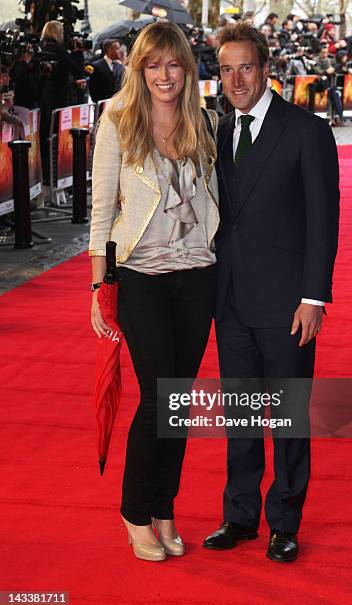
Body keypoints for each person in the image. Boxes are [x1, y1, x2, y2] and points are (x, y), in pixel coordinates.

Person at [203, 22, 339, 562]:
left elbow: (323, 223)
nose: (236, 79)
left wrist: (314, 298)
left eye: (245, 67)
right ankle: (239, 515)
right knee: (240, 415)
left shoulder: (306, 131)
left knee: (285, 417)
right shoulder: (214, 131)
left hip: (287, 304)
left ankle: (285, 522)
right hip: (229, 299)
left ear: (266, 69)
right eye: (226, 69)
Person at [89, 22, 219, 562]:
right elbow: (100, 211)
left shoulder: (203, 120)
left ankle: (164, 506)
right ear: (139, 69)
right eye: (153, 65)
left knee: (179, 402)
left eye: (173, 65)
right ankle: (134, 511)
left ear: (186, 69)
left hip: (199, 274)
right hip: (141, 275)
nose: (164, 76)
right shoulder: (117, 119)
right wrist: (99, 285)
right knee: (157, 397)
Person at [38, 20, 84, 187]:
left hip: (42, 102)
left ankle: (45, 176)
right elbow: (78, 69)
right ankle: (55, 177)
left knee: (44, 139)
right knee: (56, 140)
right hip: (57, 102)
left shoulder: (41, 48)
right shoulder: (59, 50)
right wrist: (78, 51)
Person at [88, 39, 124, 103]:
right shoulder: (96, 66)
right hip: (103, 107)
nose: (120, 51)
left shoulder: (119, 66)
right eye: (117, 48)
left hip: (118, 105)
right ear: (109, 50)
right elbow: (92, 89)